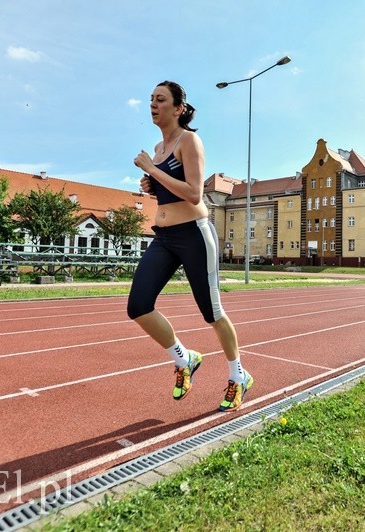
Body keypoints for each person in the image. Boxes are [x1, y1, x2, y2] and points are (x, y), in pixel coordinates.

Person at [127, 80, 252, 412]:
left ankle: (238, 376)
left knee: (212, 312)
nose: (153, 105)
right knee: (138, 305)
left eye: (161, 100)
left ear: (178, 108)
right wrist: (152, 186)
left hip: (194, 233)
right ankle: (185, 359)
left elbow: (195, 193)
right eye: (150, 99)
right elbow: (170, 189)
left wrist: (153, 170)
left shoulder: (189, 140)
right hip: (164, 235)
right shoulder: (157, 148)